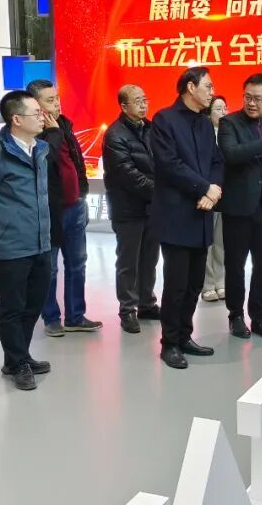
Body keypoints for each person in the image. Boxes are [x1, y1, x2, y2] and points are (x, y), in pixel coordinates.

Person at [0, 90, 54, 392]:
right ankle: (17, 363)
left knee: (33, 304)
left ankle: (19, 357)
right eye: (36, 113)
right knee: (12, 308)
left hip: (40, 244)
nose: (42, 117)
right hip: (8, 249)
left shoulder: (39, 150)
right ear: (16, 119)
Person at [150, 66, 223, 369]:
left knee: (195, 283)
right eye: (208, 86)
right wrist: (204, 187)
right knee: (177, 284)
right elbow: (169, 165)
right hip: (177, 215)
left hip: (203, 213)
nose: (211, 92)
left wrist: (213, 191)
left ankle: (184, 336)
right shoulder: (164, 120)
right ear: (190, 87)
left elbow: (216, 161)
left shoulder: (205, 123)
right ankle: (169, 343)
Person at [26, 79, 103, 336]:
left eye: (57, 98)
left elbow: (76, 161)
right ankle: (51, 318)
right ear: (35, 105)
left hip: (75, 205)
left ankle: (75, 316)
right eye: (50, 100)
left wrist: (82, 192)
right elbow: (44, 161)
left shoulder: (64, 124)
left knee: (77, 262)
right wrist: (54, 133)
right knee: (49, 267)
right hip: (50, 211)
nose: (57, 104)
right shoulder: (33, 133)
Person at [217, 73, 262, 341]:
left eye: (258, 98)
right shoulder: (229, 123)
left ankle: (259, 317)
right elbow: (231, 155)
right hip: (238, 206)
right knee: (235, 264)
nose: (251, 103)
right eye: (247, 97)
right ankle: (235, 315)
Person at [102, 85, 162, 335]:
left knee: (150, 259)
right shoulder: (115, 135)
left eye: (145, 99)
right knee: (128, 261)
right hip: (128, 208)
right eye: (137, 101)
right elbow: (128, 175)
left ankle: (147, 303)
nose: (143, 105)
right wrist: (160, 191)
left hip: (152, 207)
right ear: (124, 106)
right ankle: (127, 309)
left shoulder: (151, 128)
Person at [201, 95, 228, 303]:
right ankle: (208, 284)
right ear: (209, 113)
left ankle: (221, 282)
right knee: (207, 243)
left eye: (225, 108)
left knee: (222, 243)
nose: (223, 112)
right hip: (208, 194)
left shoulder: (230, 133)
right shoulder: (204, 134)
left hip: (227, 195)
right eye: (218, 109)